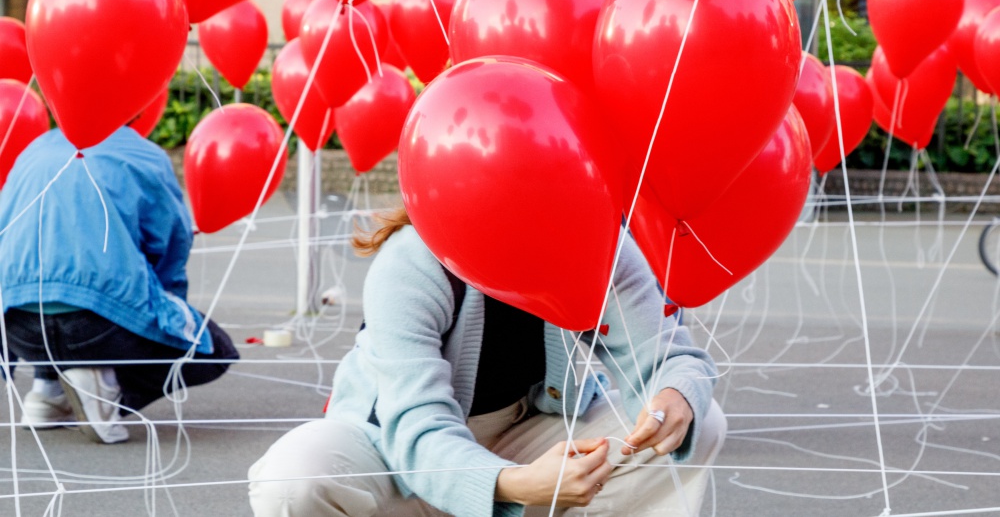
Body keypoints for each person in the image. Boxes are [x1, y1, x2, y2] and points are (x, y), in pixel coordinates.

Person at [247, 208, 725, 516]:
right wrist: (513, 484)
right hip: (386, 444)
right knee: (294, 478)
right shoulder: (411, 259)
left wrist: (674, 393)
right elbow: (416, 424)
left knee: (698, 425)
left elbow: (668, 353)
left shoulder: (593, 237)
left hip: (522, 429)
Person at [0, 126, 239, 444]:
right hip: (99, 325)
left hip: (18, 325)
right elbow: (170, 242)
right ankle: (101, 390)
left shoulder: (34, 148)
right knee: (216, 349)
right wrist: (169, 307)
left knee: (53, 296)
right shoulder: (143, 154)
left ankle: (49, 392)